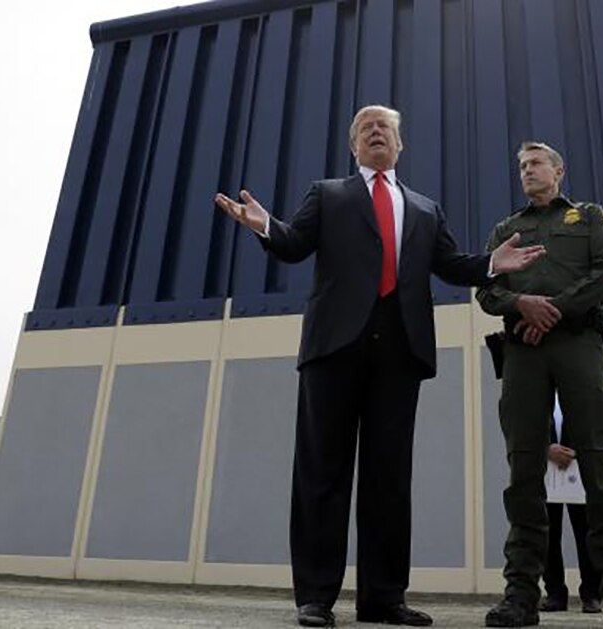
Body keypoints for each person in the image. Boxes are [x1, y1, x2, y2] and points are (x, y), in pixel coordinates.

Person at [214, 105, 545, 628]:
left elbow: (450, 265)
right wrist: (265, 227)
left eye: (384, 127)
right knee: (323, 472)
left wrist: (490, 265)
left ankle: (383, 597)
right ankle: (316, 596)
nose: (375, 132)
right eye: (365, 127)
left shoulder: (425, 208)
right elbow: (295, 245)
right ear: (353, 146)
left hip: (399, 351)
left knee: (389, 478)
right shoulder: (328, 194)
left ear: (399, 145)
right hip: (334, 350)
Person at [476, 141, 603, 629]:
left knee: (598, 464)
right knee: (524, 469)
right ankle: (521, 595)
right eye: (521, 166)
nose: (527, 171)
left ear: (559, 170)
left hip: (578, 343)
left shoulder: (590, 218)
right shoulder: (505, 230)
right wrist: (521, 306)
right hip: (523, 352)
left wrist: (550, 311)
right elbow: (487, 289)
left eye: (535, 164)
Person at [542, 397, 603, 615]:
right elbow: (525, 422)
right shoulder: (539, 388)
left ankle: (592, 594)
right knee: (548, 533)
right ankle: (555, 593)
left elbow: (598, 421)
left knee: (586, 531)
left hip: (580, 467)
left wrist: (576, 450)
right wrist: (546, 447)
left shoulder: (580, 385)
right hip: (546, 469)